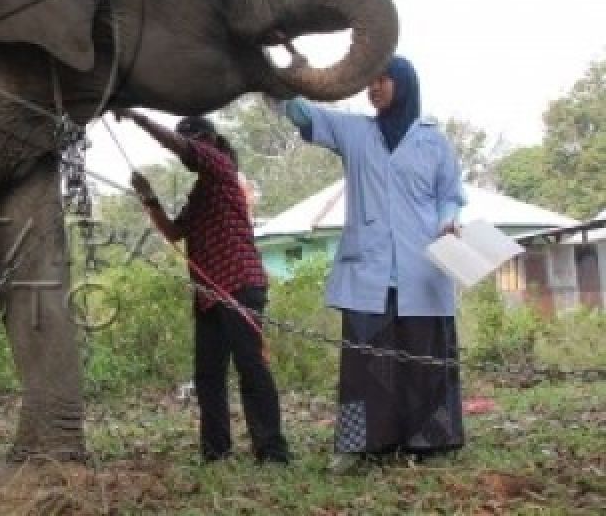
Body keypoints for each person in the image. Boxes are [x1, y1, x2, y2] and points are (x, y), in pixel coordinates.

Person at [274, 56, 466, 472]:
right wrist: (285, 77)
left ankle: (429, 443)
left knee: (424, 361)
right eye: (369, 80)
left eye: (382, 79)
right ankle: (360, 445)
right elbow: (302, 114)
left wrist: (448, 220)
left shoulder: (434, 142)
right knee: (365, 367)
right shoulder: (355, 132)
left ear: (404, 84)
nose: (373, 87)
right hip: (368, 272)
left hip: (424, 269)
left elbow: (450, 195)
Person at [117, 108, 291, 464]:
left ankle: (273, 452)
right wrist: (148, 197)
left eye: (192, 141)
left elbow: (183, 147)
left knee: (251, 366)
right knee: (208, 374)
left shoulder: (222, 169)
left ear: (209, 142)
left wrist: (139, 119)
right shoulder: (201, 192)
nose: (187, 152)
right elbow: (174, 232)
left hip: (240, 283)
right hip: (210, 295)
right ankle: (216, 452)